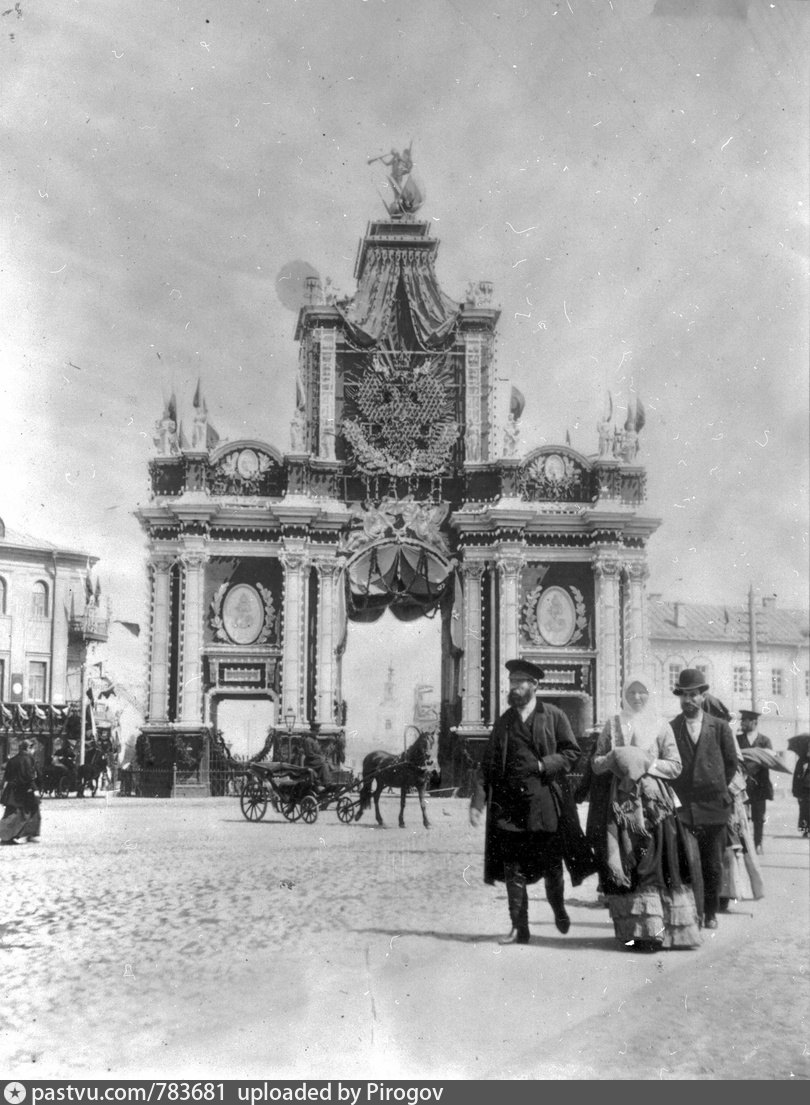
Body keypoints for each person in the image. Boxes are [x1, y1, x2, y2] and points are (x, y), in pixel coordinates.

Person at [469, 659, 583, 944]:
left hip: (545, 806)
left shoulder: (554, 715)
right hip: (510, 808)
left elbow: (572, 753)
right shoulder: (505, 722)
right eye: (511, 682)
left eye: (520, 683)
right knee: (512, 870)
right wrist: (477, 802)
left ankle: (558, 907)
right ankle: (519, 927)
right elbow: (489, 765)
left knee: (552, 867)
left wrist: (545, 765)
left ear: (535, 686)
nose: (514, 688)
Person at [591, 676, 702, 952]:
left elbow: (675, 766)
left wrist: (646, 763)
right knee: (629, 862)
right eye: (632, 692)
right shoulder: (613, 724)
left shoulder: (661, 725)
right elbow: (595, 763)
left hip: (655, 806)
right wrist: (613, 759)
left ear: (649, 695)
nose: (637, 697)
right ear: (624, 694)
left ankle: (661, 932)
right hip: (621, 804)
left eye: (642, 692)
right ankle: (637, 932)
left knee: (654, 863)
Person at [669, 669, 739, 930]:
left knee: (712, 863)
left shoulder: (719, 727)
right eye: (684, 696)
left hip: (713, 806)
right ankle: (690, 913)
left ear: (702, 696)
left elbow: (730, 763)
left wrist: (714, 784)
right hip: (684, 807)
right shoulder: (672, 727)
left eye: (693, 695)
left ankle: (710, 912)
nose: (688, 700)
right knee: (686, 861)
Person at [736, 709, 773, 854]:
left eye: (745, 721)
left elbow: (768, 760)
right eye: (742, 721)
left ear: (754, 722)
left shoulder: (764, 741)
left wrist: (751, 763)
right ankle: (743, 844)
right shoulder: (738, 739)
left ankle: (758, 843)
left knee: (758, 817)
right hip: (742, 785)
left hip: (760, 786)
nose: (742, 723)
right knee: (741, 816)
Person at [1, 739, 42, 845]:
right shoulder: (28, 759)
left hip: (12, 790)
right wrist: (35, 789)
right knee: (27, 812)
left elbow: (6, 776)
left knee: (14, 812)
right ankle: (8, 836)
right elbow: (29, 776)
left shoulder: (12, 760)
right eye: (32, 748)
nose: (33, 751)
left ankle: (28, 834)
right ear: (28, 748)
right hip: (24, 790)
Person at [791, 735, 810, 837]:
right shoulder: (802, 761)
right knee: (804, 810)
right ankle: (805, 830)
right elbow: (796, 777)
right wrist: (796, 792)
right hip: (804, 789)